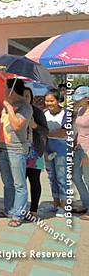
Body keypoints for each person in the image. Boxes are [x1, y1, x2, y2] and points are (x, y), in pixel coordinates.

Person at [0, 79, 32, 228]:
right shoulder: (7, 106)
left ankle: (18, 214)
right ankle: (9, 209)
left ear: (12, 90)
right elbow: (2, 127)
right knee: (7, 183)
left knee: (19, 184)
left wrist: (9, 107)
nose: (3, 91)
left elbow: (17, 125)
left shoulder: (26, 107)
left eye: (6, 88)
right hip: (2, 148)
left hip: (16, 149)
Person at [23, 87, 49, 220]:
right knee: (19, 182)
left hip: (34, 152)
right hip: (19, 152)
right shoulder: (14, 111)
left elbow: (45, 131)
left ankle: (33, 210)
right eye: (22, 95)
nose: (25, 98)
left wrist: (35, 126)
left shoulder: (37, 112)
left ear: (31, 97)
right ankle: (19, 208)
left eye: (27, 95)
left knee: (34, 181)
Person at [44, 89, 70, 218]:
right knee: (51, 177)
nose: (49, 103)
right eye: (47, 100)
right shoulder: (44, 113)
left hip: (61, 150)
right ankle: (55, 204)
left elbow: (65, 132)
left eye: (51, 100)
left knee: (62, 178)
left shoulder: (66, 114)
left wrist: (46, 133)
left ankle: (64, 206)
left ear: (58, 100)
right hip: (48, 149)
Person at [72, 86, 89, 220]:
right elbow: (78, 129)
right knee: (76, 176)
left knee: (88, 179)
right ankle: (86, 203)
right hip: (78, 148)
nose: (77, 101)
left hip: (87, 151)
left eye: (79, 99)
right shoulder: (80, 110)